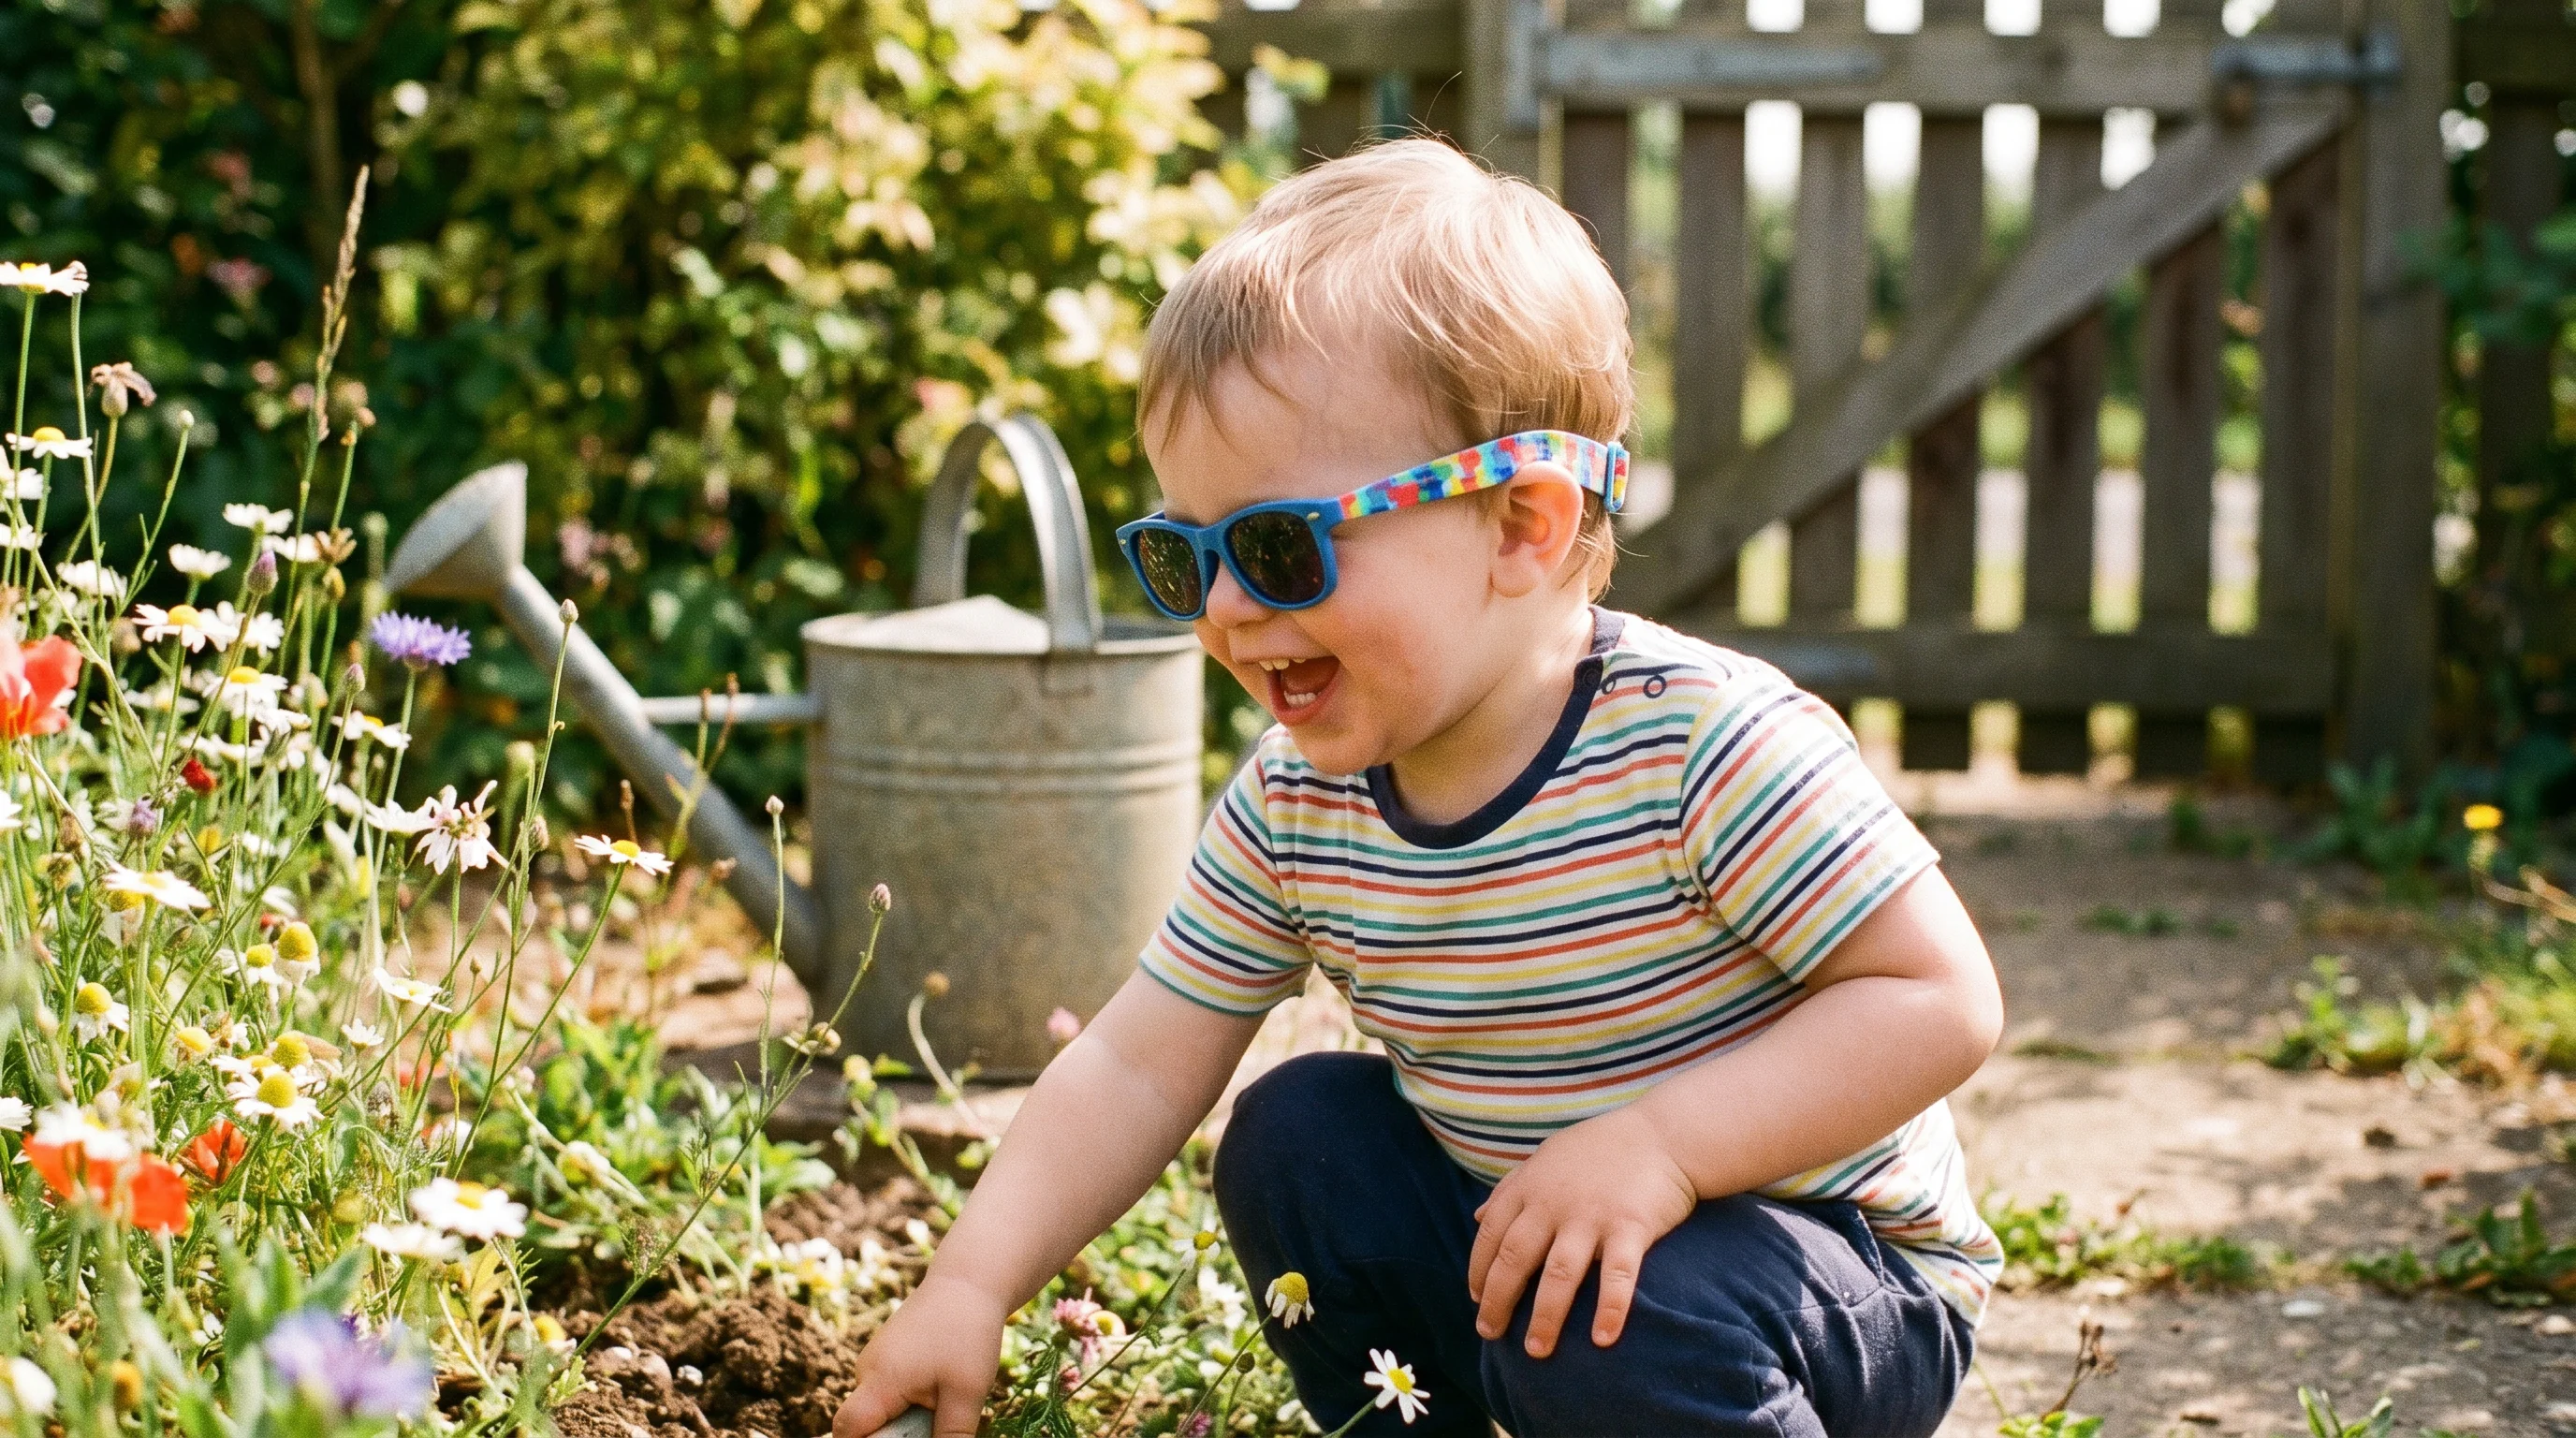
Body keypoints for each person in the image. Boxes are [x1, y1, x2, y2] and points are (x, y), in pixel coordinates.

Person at [834, 138, 2004, 1438]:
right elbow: (1133, 1064)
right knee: (1297, 1137)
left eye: (1279, 547)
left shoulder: (1702, 749)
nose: (1223, 609)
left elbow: (1937, 999)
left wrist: (1665, 1147)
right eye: (1186, 556)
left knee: (1629, 1314)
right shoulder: (1298, 803)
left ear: (1522, 526)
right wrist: (973, 1282)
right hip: (1539, 1241)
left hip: (1815, 1273)